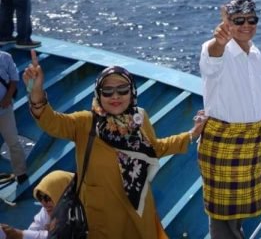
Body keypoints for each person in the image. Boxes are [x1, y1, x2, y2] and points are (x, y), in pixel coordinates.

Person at [23, 54, 207, 239]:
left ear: (132, 91)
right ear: (98, 93)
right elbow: (50, 122)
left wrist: (191, 134)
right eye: (108, 91)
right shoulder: (85, 123)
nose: (116, 96)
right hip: (101, 217)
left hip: (137, 212)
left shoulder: (139, 118)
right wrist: (36, 90)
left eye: (122, 89)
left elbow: (154, 148)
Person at [197, 0, 261, 239]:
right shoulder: (218, 50)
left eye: (251, 20)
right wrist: (219, 41)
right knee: (222, 218)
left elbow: (258, 99)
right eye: (238, 20)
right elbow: (211, 59)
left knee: (236, 216)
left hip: (251, 141)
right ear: (227, 21)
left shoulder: (256, 54)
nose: (246, 26)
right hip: (223, 144)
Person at [0, 170, 74, 239]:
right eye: (39, 197)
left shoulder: (76, 216)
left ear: (63, 193)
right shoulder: (46, 210)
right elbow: (34, 229)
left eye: (47, 197)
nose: (43, 203)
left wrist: (19, 234)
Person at [0, 50, 27, 184]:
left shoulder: (5, 57)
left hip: (4, 110)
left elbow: (14, 79)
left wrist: (7, 98)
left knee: (13, 142)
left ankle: (20, 173)